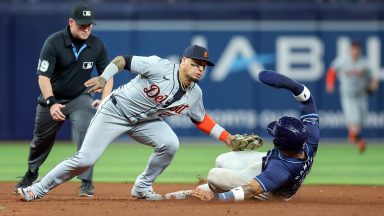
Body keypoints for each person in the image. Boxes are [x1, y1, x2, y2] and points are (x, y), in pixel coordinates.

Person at [17, 44, 237, 202]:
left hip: (145, 121)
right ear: (183, 61)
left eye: (203, 66)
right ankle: (37, 188)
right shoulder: (159, 66)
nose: (200, 68)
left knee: (170, 144)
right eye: (195, 63)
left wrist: (228, 138)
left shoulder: (195, 93)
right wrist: (104, 78)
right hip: (114, 111)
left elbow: (201, 119)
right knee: (86, 159)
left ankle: (142, 188)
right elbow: (123, 60)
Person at [171, 70, 319, 202]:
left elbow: (252, 189)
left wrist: (218, 198)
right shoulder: (310, 139)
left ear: (281, 145)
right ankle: (219, 186)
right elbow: (308, 100)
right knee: (221, 160)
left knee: (214, 176)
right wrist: (292, 85)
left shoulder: (280, 169)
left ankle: (216, 189)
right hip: (269, 163)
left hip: (271, 190)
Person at [14, 2, 113, 197]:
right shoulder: (54, 42)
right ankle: (31, 173)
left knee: (86, 133)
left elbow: (107, 76)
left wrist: (105, 99)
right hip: (52, 98)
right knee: (41, 140)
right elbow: (43, 77)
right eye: (82, 25)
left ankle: (86, 182)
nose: (86, 28)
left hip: (80, 97)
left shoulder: (96, 45)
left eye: (89, 25)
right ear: (71, 22)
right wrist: (51, 103)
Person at [325, 40, 379, 153]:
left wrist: (373, 86)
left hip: (361, 94)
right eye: (353, 49)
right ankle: (359, 141)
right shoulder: (343, 60)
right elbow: (332, 71)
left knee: (362, 120)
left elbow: (374, 76)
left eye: (357, 49)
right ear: (350, 49)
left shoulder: (364, 62)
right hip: (348, 95)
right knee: (353, 119)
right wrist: (330, 83)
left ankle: (353, 136)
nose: (355, 51)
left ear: (360, 50)